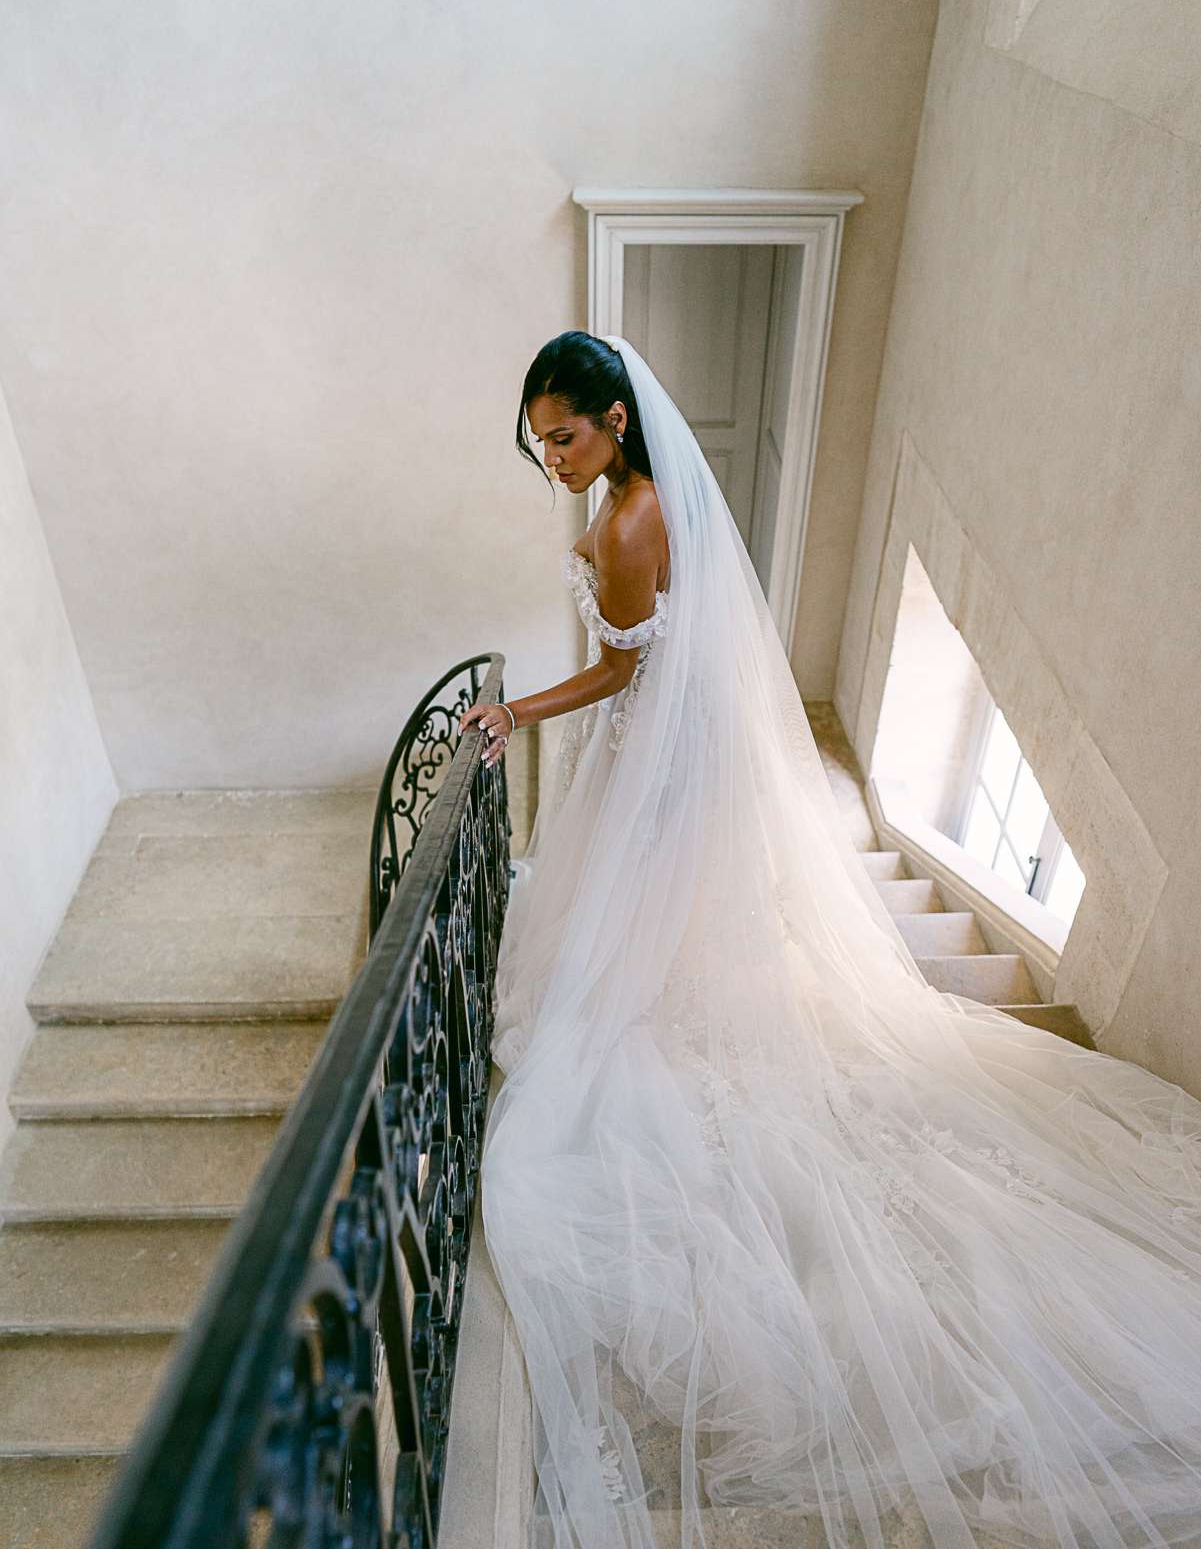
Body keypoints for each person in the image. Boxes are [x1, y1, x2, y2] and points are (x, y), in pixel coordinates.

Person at [457, 331, 1201, 1549]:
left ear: (618, 424)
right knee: (638, 929)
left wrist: (516, 706)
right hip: (666, 749)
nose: (551, 459)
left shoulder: (633, 521)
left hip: (653, 759)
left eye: (566, 437)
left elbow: (618, 675)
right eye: (539, 440)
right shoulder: (629, 498)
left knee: (623, 948)